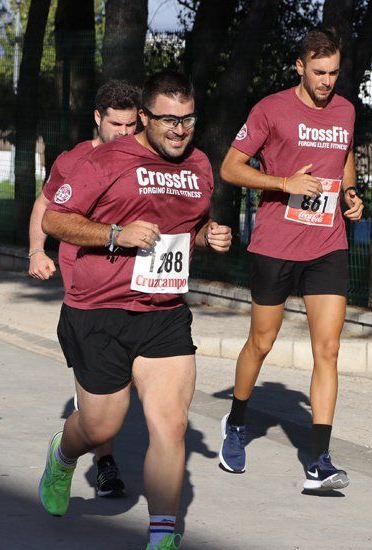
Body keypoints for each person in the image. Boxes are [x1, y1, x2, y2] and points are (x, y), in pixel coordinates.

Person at [39, 70, 232, 550]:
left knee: (169, 424)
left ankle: (163, 533)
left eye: (187, 120)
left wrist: (210, 236)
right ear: (145, 116)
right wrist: (114, 235)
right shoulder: (106, 161)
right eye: (168, 120)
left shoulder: (200, 165)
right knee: (101, 424)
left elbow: (194, 226)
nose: (179, 130)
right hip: (98, 309)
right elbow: (56, 218)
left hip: (163, 310)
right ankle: (63, 456)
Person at [217, 28, 364, 492]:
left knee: (329, 349)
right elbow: (230, 167)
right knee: (261, 342)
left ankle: (319, 459)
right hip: (276, 244)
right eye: (319, 72)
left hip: (327, 243)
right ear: (299, 67)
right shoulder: (271, 109)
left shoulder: (345, 110)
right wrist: (284, 183)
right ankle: (237, 422)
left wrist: (352, 193)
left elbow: (343, 158)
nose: (327, 81)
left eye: (334, 73)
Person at [27, 79, 141, 498]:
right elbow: (45, 205)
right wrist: (37, 251)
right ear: (98, 118)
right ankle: (104, 461)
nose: (124, 134)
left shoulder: (147, 159)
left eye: (131, 124)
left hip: (135, 282)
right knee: (97, 379)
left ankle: (100, 446)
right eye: (116, 124)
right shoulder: (74, 160)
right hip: (85, 286)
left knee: (126, 379)